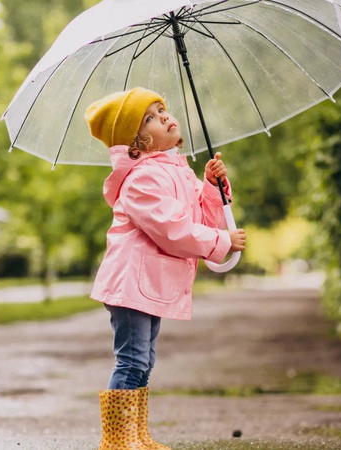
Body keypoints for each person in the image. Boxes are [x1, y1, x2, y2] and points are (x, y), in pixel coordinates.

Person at [84, 87, 246, 449]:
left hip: (149, 284)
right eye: (152, 118)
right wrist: (221, 241)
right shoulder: (141, 180)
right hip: (130, 284)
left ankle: (136, 435)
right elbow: (173, 230)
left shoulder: (178, 171)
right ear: (136, 144)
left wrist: (211, 185)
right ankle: (117, 441)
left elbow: (201, 216)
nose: (166, 117)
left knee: (144, 361)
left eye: (163, 110)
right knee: (132, 360)